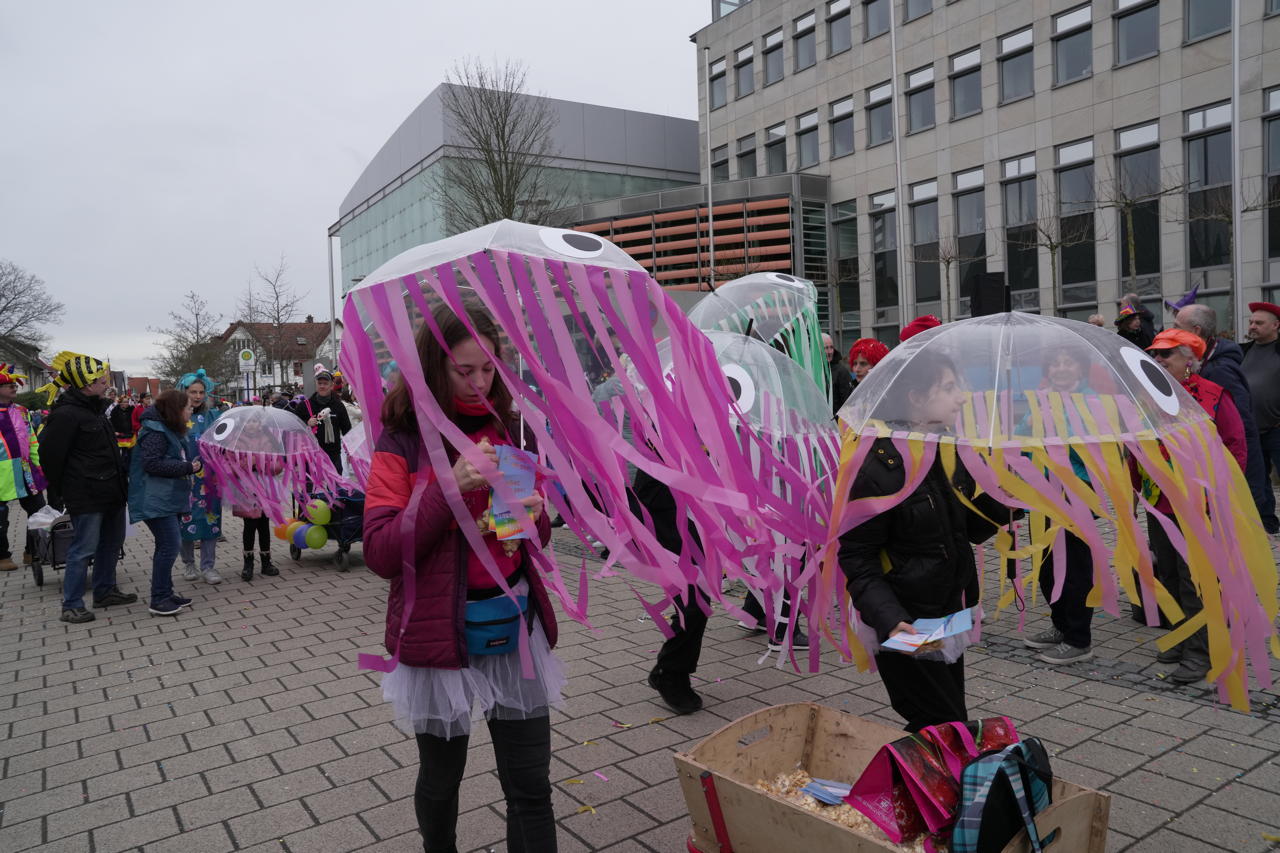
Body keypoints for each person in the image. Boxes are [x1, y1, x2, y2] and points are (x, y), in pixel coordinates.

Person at [364, 302, 563, 853]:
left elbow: (526, 539)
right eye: (464, 370)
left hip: (512, 624)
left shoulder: (509, 426)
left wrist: (534, 514)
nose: (480, 382)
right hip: (438, 635)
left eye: (489, 368)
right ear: (434, 366)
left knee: (530, 785)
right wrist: (447, 486)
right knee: (441, 781)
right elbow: (381, 551)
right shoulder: (402, 438)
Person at [838, 350, 1014, 731]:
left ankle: (915, 787)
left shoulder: (945, 449)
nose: (962, 397)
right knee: (941, 723)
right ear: (916, 398)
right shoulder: (877, 467)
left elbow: (967, 529)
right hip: (906, 621)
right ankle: (906, 784)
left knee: (944, 723)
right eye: (949, 387)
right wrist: (891, 619)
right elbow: (856, 556)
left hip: (947, 612)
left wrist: (1009, 499)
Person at [1142, 329, 1247, 683]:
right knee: (1169, 574)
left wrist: (1219, 495)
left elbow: (1235, 445)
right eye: (1154, 355)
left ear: (1190, 361)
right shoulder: (1149, 398)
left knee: (1195, 581)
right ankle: (1185, 637)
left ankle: (1202, 652)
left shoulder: (1213, 395)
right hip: (1160, 502)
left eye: (1166, 355)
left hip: (1198, 505)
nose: (1157, 360)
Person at [35, 352, 138, 623]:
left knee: (112, 543)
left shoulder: (95, 409)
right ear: (86, 383)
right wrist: (63, 490)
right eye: (102, 379)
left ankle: (105, 591)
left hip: (111, 492)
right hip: (86, 495)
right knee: (83, 549)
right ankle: (71, 604)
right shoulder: (67, 415)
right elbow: (51, 457)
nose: (106, 383)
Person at [1020, 348, 1097, 665]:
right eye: (1055, 362)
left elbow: (1094, 455)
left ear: (1080, 368)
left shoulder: (1092, 403)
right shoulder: (1040, 399)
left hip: (1075, 495)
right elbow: (1023, 444)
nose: (1061, 367)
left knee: (1076, 569)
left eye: (1069, 362)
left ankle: (1080, 639)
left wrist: (1057, 437)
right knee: (1048, 567)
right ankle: (1060, 624)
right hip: (1041, 495)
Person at [1174, 304, 1269, 530]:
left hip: (1225, 472)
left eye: (1178, 327)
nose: (1173, 331)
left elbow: (1240, 429)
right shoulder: (1200, 362)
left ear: (1195, 331)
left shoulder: (1219, 370)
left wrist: (1237, 480)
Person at [128, 390, 200, 616]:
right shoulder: (155, 432)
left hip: (167, 498)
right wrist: (187, 467)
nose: (191, 411)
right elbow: (152, 464)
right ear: (176, 410)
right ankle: (158, 599)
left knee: (167, 545)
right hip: (155, 499)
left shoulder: (167, 428)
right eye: (188, 407)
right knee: (169, 546)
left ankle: (166, 593)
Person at [177, 369, 223, 584]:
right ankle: (188, 564)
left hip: (210, 480)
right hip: (184, 479)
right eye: (193, 392)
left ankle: (208, 566)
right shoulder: (175, 416)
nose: (197, 396)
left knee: (210, 521)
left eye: (201, 392)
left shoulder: (214, 416)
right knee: (184, 522)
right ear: (184, 391)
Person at [0, 364, 46, 571]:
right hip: (1, 473)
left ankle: (33, 551)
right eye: (7, 384)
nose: (13, 387)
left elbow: (31, 438)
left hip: (25, 470)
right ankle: (2, 555)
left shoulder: (21, 411)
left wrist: (38, 464)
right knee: (1, 516)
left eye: (14, 384)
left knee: (37, 510)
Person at [1242, 301, 1280, 535]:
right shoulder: (1242, 351)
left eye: (1259, 322)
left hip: (1277, 429)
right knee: (1258, 479)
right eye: (1251, 322)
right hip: (1251, 429)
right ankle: (1268, 522)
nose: (1253, 326)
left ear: (1276, 325)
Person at [291, 365, 352, 473]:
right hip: (310, 454)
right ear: (316, 384)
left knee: (335, 486)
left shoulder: (338, 406)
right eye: (320, 383)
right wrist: (306, 423)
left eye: (325, 383)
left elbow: (347, 429)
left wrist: (350, 451)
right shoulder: (305, 405)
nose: (322, 386)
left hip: (333, 454)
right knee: (311, 487)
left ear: (331, 385)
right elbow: (294, 427)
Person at [824, 333, 855, 414]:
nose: (830, 352)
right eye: (826, 348)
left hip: (836, 422)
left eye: (831, 347)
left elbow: (848, 401)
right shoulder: (814, 370)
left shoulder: (841, 372)